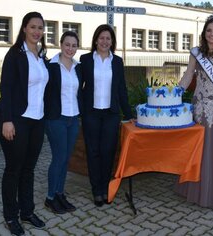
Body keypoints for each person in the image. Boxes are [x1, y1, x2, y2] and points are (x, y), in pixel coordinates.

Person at [0, 11, 48, 236]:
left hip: (37, 121)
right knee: (13, 170)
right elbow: (5, 87)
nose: (37, 31)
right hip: (16, 119)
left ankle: (27, 211)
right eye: (33, 27)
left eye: (40, 28)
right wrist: (7, 120)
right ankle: (10, 215)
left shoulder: (41, 55)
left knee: (29, 169)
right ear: (24, 28)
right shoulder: (15, 53)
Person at [175, 15, 213, 208]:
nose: (212, 34)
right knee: (199, 148)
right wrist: (175, 94)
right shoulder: (196, 53)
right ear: (204, 33)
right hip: (200, 107)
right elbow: (187, 76)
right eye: (208, 30)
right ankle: (196, 189)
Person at [80, 24, 133, 207]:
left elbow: (121, 90)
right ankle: (97, 190)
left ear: (112, 42)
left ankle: (105, 187)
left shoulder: (117, 61)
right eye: (101, 38)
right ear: (96, 40)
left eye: (108, 38)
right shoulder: (85, 59)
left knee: (108, 152)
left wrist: (129, 114)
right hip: (91, 113)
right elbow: (79, 87)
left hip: (111, 114)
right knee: (93, 151)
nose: (104, 41)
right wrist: (80, 110)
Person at [43, 31, 82, 214]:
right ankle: (50, 198)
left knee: (66, 159)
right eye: (67, 44)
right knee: (58, 158)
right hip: (56, 119)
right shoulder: (50, 66)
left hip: (73, 118)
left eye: (74, 45)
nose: (70, 49)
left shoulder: (77, 67)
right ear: (60, 44)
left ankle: (59, 193)